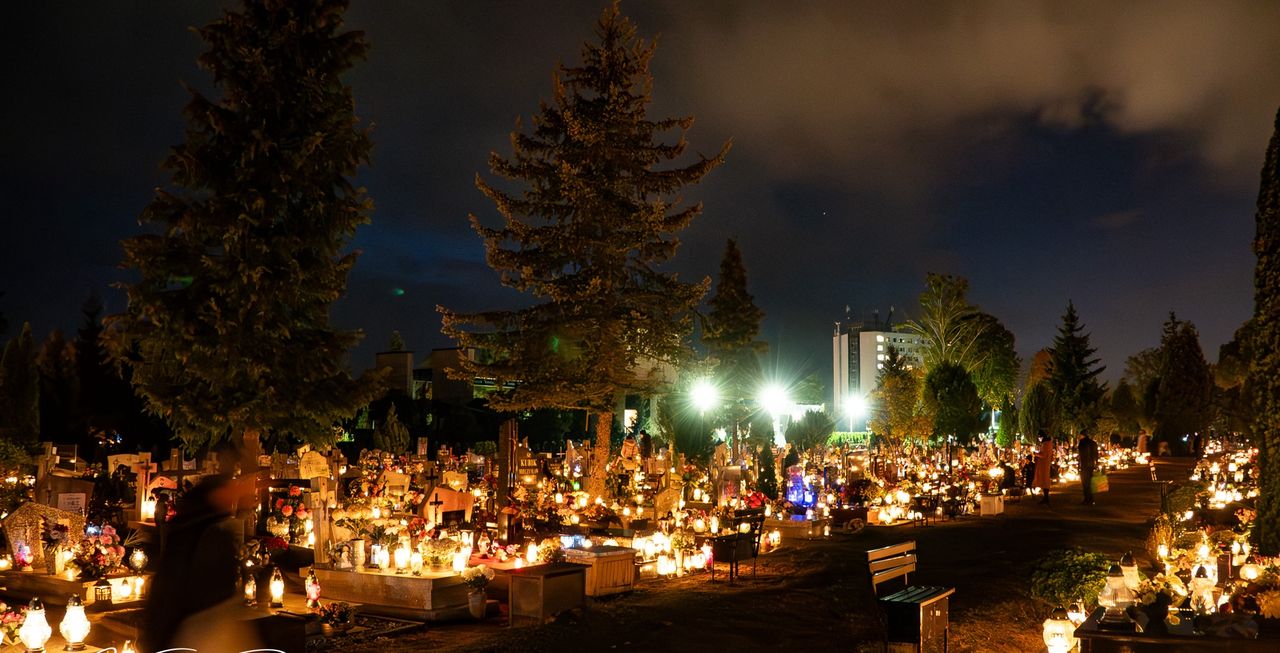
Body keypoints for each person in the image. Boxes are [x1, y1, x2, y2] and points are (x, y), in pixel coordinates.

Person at [142, 468, 261, 651]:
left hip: (194, 618)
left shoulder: (195, 524)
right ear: (215, 495)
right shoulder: (206, 532)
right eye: (230, 491)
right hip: (201, 623)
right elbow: (207, 580)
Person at [1077, 431, 1099, 505]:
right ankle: (1091, 499)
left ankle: (1087, 499)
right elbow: (1096, 455)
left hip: (1084, 465)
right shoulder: (1093, 443)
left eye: (1080, 435)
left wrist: (1079, 465)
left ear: (1082, 435)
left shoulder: (1082, 443)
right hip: (1091, 465)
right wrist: (1096, 464)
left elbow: (1081, 455)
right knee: (1090, 482)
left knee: (1085, 483)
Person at [1034, 431, 1054, 505]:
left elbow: (1044, 455)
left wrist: (1036, 454)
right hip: (1044, 464)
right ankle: (1045, 498)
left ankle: (1046, 498)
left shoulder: (1046, 444)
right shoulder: (1047, 443)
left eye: (1039, 437)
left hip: (1044, 465)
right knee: (1044, 480)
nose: (1039, 439)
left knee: (1044, 480)